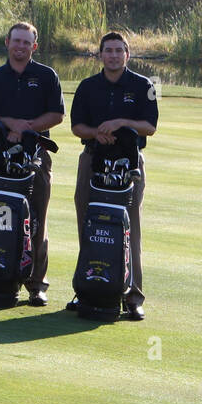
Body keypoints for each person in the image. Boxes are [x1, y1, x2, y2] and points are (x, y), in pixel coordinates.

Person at [0, 22, 65, 305]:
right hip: (1, 153)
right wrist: (10, 125)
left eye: (27, 42)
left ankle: (36, 284)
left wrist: (27, 128)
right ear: (7, 42)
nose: (21, 46)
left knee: (36, 218)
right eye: (17, 41)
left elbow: (57, 115)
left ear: (34, 46)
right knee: (1, 216)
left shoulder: (47, 75)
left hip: (36, 154)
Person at [69, 32, 157, 320]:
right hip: (93, 159)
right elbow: (77, 127)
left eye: (119, 51)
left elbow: (150, 126)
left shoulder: (145, 85)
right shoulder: (87, 86)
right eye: (108, 50)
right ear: (100, 55)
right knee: (89, 221)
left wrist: (120, 123)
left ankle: (133, 296)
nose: (114, 55)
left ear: (127, 55)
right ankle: (88, 288)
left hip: (130, 163)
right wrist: (97, 133)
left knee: (129, 228)